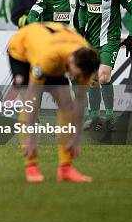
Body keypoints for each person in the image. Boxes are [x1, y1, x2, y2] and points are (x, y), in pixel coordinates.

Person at [8, 22, 100, 183]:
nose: (74, 77)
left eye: (78, 76)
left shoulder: (86, 58)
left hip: (54, 48)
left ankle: (65, 169)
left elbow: (80, 99)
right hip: (21, 51)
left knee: (67, 105)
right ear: (71, 61)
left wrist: (77, 136)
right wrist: (30, 137)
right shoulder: (48, 58)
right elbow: (32, 98)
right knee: (30, 105)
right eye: (73, 73)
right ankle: (31, 166)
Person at [76, 0, 132, 132]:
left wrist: (131, 36)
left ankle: (110, 117)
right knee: (93, 80)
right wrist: (81, 27)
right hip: (91, 41)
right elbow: (81, 8)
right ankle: (94, 116)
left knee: (103, 76)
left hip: (110, 40)